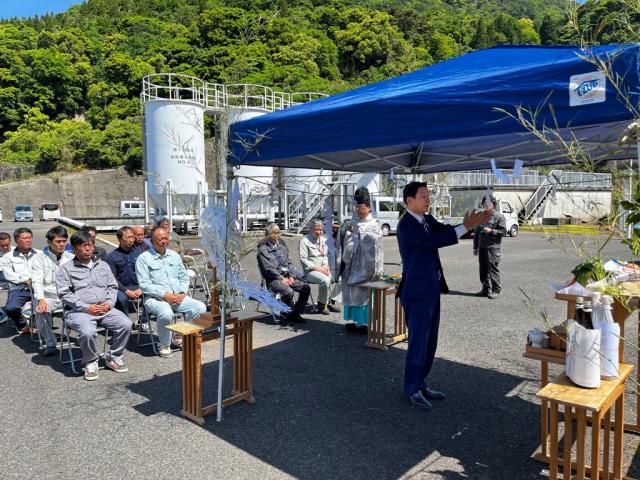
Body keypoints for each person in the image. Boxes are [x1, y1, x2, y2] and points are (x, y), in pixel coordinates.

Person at [396, 181, 490, 410]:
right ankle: (412, 388)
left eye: (428, 196)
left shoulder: (426, 220)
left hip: (431, 290)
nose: (428, 200)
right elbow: (433, 241)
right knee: (418, 342)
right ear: (409, 201)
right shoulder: (407, 225)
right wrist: (465, 227)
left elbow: (443, 230)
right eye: (423, 196)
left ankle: (421, 382)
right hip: (417, 293)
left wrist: (467, 225)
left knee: (430, 341)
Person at [56, 230, 132, 381]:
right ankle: (90, 361)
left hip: (104, 308)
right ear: (74, 248)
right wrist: (86, 307)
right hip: (79, 311)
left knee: (126, 323)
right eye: (84, 246)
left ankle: (113, 357)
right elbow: (64, 294)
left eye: (90, 245)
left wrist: (109, 304)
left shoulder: (102, 265)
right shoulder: (66, 269)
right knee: (88, 331)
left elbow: (112, 287)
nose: (88, 249)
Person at [136, 226, 206, 358]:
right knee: (166, 313)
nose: (164, 241)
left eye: (166, 238)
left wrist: (181, 292)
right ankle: (164, 344)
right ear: (151, 241)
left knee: (200, 307)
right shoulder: (143, 258)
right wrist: (164, 295)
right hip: (155, 299)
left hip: (177, 297)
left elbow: (183, 277)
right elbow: (144, 285)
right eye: (160, 239)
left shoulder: (174, 256)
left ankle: (183, 336)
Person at [341, 187, 383, 334]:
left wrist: (358, 235)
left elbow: (375, 245)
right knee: (351, 293)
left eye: (361, 207)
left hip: (366, 266)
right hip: (352, 265)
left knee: (363, 294)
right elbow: (348, 241)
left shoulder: (374, 224)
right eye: (357, 207)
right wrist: (347, 235)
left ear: (369, 207)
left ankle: (365, 323)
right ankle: (354, 321)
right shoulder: (353, 222)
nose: (358, 210)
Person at [31, 226, 74, 356]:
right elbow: (36, 281)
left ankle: (85, 337)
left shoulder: (71, 258)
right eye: (58, 241)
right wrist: (41, 300)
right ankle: (50, 343)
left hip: (67, 296)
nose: (62, 244)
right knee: (41, 310)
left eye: (64, 241)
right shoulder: (39, 258)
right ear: (49, 242)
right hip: (48, 296)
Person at [257, 223, 310, 324]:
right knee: (288, 291)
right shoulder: (263, 249)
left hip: (286, 276)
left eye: (278, 233)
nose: (276, 236)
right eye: (273, 233)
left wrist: (292, 277)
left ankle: (295, 313)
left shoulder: (282, 245)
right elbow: (269, 269)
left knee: (305, 288)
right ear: (267, 234)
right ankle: (285, 314)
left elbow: (289, 263)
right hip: (273, 280)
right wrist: (282, 279)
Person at [0, 227, 40, 334]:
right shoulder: (8, 257)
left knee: (54, 303)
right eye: (25, 238)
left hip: (39, 287)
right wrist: (24, 280)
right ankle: (22, 324)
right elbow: (8, 275)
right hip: (20, 288)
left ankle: (36, 321)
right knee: (11, 309)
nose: (28, 240)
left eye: (30, 237)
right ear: (17, 240)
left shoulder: (40, 254)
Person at [299, 220, 340, 315]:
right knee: (325, 280)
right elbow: (303, 260)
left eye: (320, 230)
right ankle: (322, 304)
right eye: (316, 229)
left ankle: (330, 300)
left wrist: (326, 266)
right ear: (311, 229)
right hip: (310, 271)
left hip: (324, 269)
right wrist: (319, 269)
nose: (318, 232)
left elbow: (326, 256)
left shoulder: (324, 240)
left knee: (340, 278)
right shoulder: (304, 241)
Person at [473, 194, 507, 299]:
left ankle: (496, 290)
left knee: (493, 269)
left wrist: (491, 231)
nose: (487, 205)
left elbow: (504, 232)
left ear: (494, 205)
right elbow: (477, 232)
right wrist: (475, 247)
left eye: (489, 203)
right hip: (482, 247)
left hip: (493, 248)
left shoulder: (499, 216)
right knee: (483, 270)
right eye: (485, 204)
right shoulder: (481, 216)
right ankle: (485, 289)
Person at [106, 227, 144, 317]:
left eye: (132, 237)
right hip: (121, 287)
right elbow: (112, 278)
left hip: (138, 285)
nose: (130, 240)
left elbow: (146, 273)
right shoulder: (111, 256)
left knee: (151, 294)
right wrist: (126, 291)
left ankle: (144, 322)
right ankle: (126, 323)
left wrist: (142, 288)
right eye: (127, 237)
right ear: (119, 239)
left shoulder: (139, 253)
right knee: (122, 299)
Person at [0, 232, 14, 324]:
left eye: (7, 245)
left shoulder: (17, 251)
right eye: (2, 245)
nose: (5, 247)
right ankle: (2, 313)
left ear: (10, 241)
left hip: (15, 282)